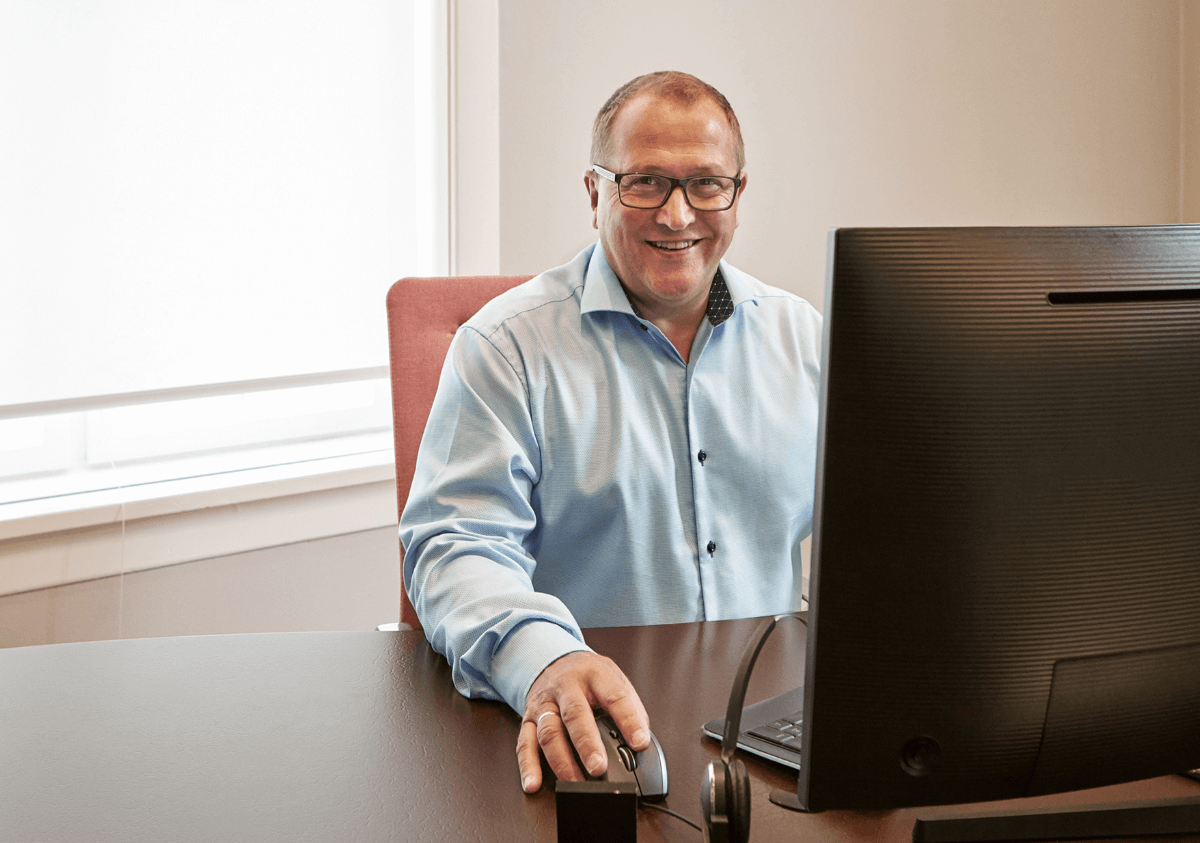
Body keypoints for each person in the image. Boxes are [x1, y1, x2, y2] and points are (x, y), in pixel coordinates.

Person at [398, 71, 822, 794]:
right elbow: (455, 544)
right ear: (595, 192)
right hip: (588, 730)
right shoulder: (505, 346)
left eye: (706, 184)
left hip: (775, 730)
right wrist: (546, 661)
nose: (678, 213)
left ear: (738, 195)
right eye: (646, 182)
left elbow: (880, 536)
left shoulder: (803, 338)